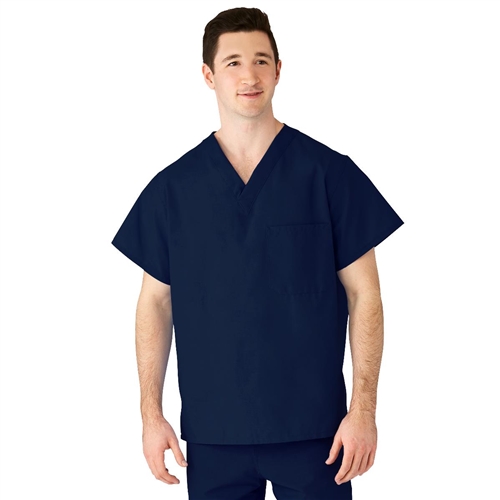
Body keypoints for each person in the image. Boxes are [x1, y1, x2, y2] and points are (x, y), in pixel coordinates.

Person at [111, 6, 404, 499]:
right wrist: (150, 414)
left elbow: (366, 296)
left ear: (278, 70)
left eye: (261, 61)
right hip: (213, 434)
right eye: (233, 63)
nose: (249, 76)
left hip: (318, 433)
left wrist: (363, 411)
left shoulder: (329, 175)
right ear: (208, 75)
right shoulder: (173, 190)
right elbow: (155, 304)